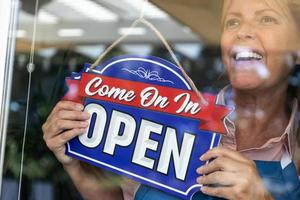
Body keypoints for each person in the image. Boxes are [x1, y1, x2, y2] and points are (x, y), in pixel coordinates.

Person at [42, 0, 300, 199]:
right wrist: (75, 163)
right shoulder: (166, 119)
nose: (244, 31)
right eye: (232, 22)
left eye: (267, 18)